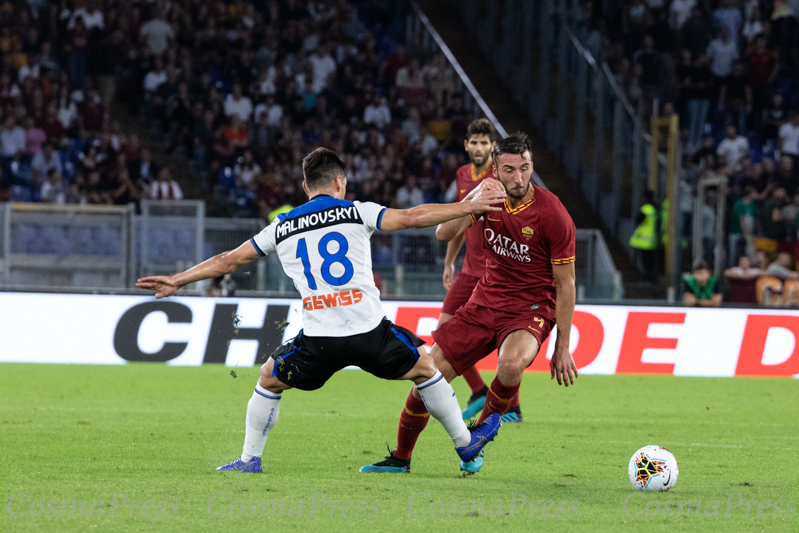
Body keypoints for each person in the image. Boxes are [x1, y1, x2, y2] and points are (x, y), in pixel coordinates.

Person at [136, 148, 507, 474]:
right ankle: (464, 443)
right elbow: (412, 217)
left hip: (319, 341)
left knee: (269, 379)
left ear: (305, 187)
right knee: (426, 369)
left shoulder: (282, 225)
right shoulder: (357, 212)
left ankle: (250, 459)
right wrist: (469, 206)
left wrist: (178, 280)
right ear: (340, 182)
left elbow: (228, 260)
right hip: (369, 334)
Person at [361, 133, 577, 475]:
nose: (518, 178)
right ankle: (401, 458)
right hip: (484, 301)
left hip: (531, 308)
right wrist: (472, 204)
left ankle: (480, 433)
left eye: (525, 168)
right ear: (496, 168)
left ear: (532, 166)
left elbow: (566, 284)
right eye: (509, 170)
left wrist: (562, 346)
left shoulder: (553, 214)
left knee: (509, 365)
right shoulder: (485, 195)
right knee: (427, 376)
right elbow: (444, 234)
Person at [438, 120, 523, 424]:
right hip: (468, 269)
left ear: (492, 146)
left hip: (494, 271)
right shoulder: (462, 175)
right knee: (444, 331)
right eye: (473, 142)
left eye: (484, 143)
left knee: (507, 338)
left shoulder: (500, 177)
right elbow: (461, 221)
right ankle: (477, 390)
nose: (478, 148)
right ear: (466, 145)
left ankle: (511, 406)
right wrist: (450, 262)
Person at [630, 189, 659, 283]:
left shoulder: (646, 208)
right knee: (650, 262)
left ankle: (646, 279)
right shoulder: (654, 209)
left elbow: (638, 220)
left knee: (645, 263)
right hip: (651, 241)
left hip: (644, 242)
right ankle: (651, 279)